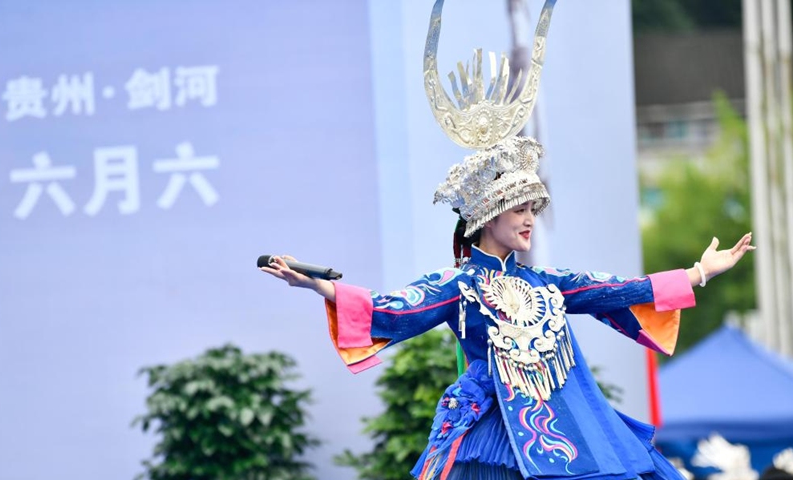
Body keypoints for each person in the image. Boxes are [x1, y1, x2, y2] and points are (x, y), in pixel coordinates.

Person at [260, 1, 755, 478]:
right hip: (489, 432)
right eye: (520, 209)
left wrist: (699, 272)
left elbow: (621, 290)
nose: (529, 220)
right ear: (487, 216)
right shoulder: (458, 287)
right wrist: (314, 285)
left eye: (533, 210)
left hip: (570, 427)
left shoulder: (548, 284)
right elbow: (393, 309)